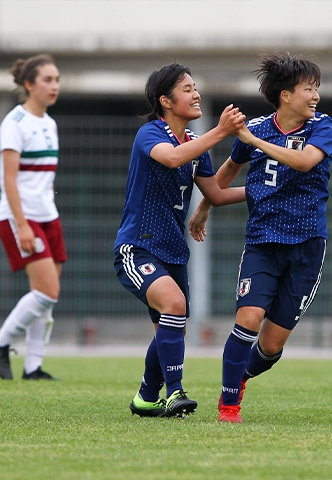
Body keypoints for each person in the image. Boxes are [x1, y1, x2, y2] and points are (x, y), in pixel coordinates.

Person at [189, 52, 332, 423]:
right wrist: (206, 206)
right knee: (249, 316)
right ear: (286, 95)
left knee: (271, 346)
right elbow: (228, 169)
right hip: (262, 241)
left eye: (316, 88)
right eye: (309, 88)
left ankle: (239, 375)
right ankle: (228, 408)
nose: (315, 95)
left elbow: (304, 163)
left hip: (307, 245)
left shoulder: (322, 127)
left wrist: (251, 139)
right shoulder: (256, 128)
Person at [114, 63, 246, 418]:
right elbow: (171, 159)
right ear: (166, 101)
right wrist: (220, 131)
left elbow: (214, 195)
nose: (196, 94)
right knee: (175, 306)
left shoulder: (194, 144)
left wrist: (262, 189)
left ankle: (145, 397)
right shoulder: (150, 134)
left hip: (173, 251)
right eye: (187, 89)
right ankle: (175, 394)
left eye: (195, 87)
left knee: (171, 327)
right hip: (137, 246)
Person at [0, 54, 65, 381]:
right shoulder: (14, 123)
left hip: (49, 216)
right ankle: (0, 342)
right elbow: (9, 179)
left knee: (46, 296)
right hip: (22, 217)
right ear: (29, 84)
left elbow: (45, 176)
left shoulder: (50, 123)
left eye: (57, 79)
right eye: (47, 80)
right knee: (47, 291)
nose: (54, 86)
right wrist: (21, 225)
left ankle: (33, 367)